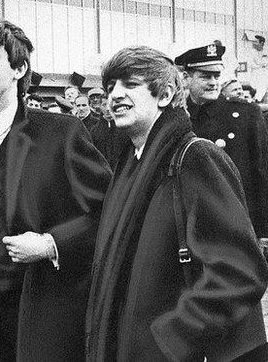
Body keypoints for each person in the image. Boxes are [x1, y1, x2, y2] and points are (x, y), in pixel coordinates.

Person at [0, 20, 111, 361]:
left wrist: (50, 243)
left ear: (19, 68)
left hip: (38, 312)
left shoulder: (60, 133)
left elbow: (107, 211)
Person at [86, 46, 268, 360]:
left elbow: (240, 271)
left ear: (166, 94)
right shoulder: (131, 162)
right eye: (110, 87)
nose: (114, 95)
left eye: (130, 85)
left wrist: (174, 337)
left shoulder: (195, 157)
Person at [176, 44, 268, 244]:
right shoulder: (178, 118)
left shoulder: (246, 115)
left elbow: (261, 174)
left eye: (217, 76)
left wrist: (263, 233)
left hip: (239, 225)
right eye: (205, 76)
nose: (213, 83)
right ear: (186, 78)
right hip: (193, 228)